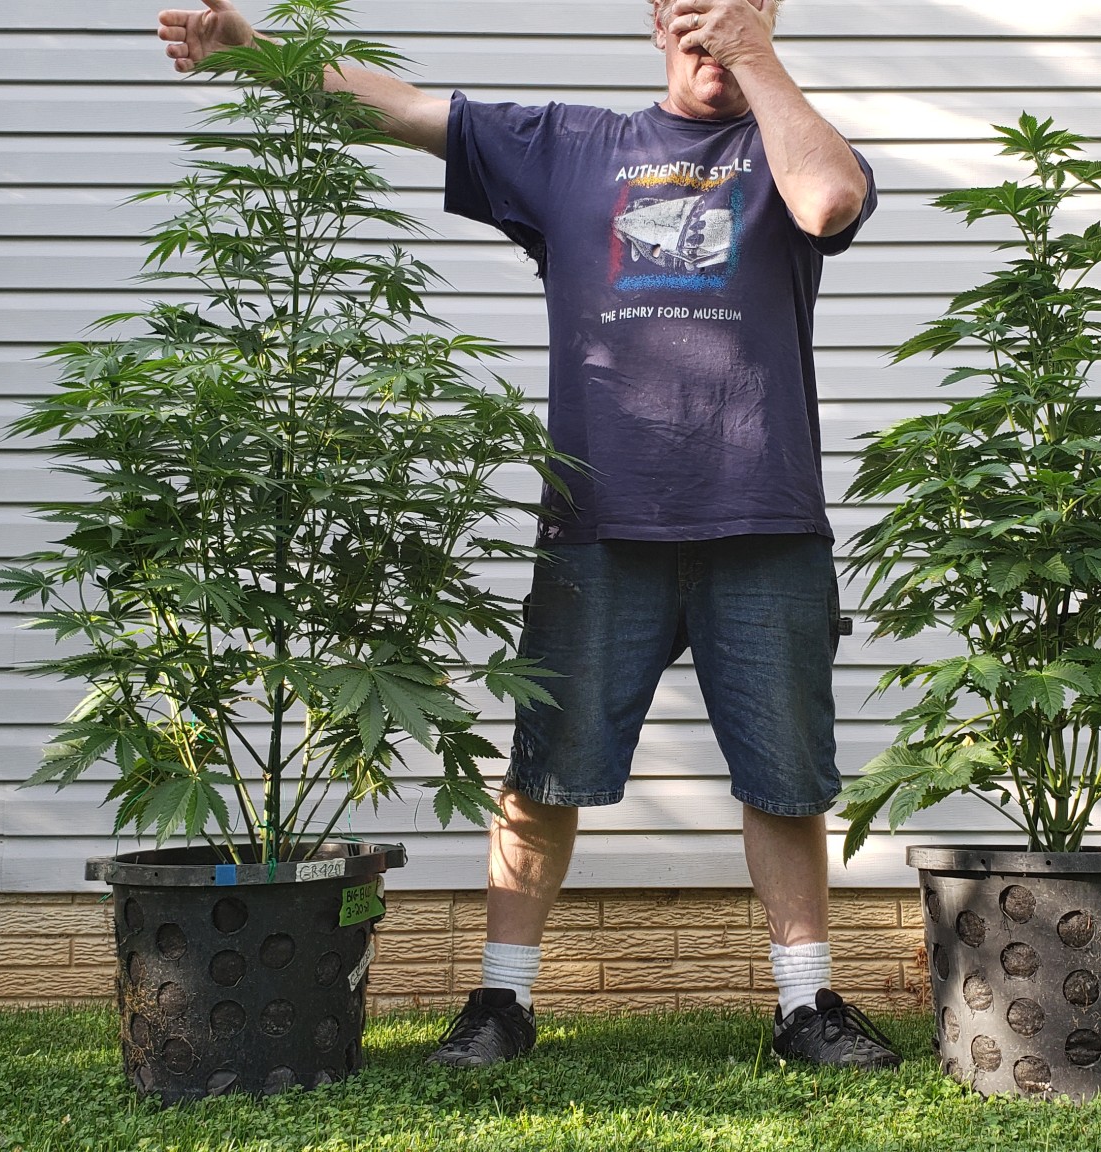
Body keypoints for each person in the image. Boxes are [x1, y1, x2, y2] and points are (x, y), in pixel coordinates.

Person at [156, 0, 898, 1070]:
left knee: (786, 778)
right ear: (657, 19)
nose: (714, 30)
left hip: (763, 516)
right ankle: (501, 1002)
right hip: (597, 524)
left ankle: (803, 1006)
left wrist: (757, 57)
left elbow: (827, 202)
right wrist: (249, 50)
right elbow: (404, 109)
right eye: (695, 10)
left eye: (741, 7)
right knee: (544, 773)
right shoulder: (572, 147)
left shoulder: (792, 146)